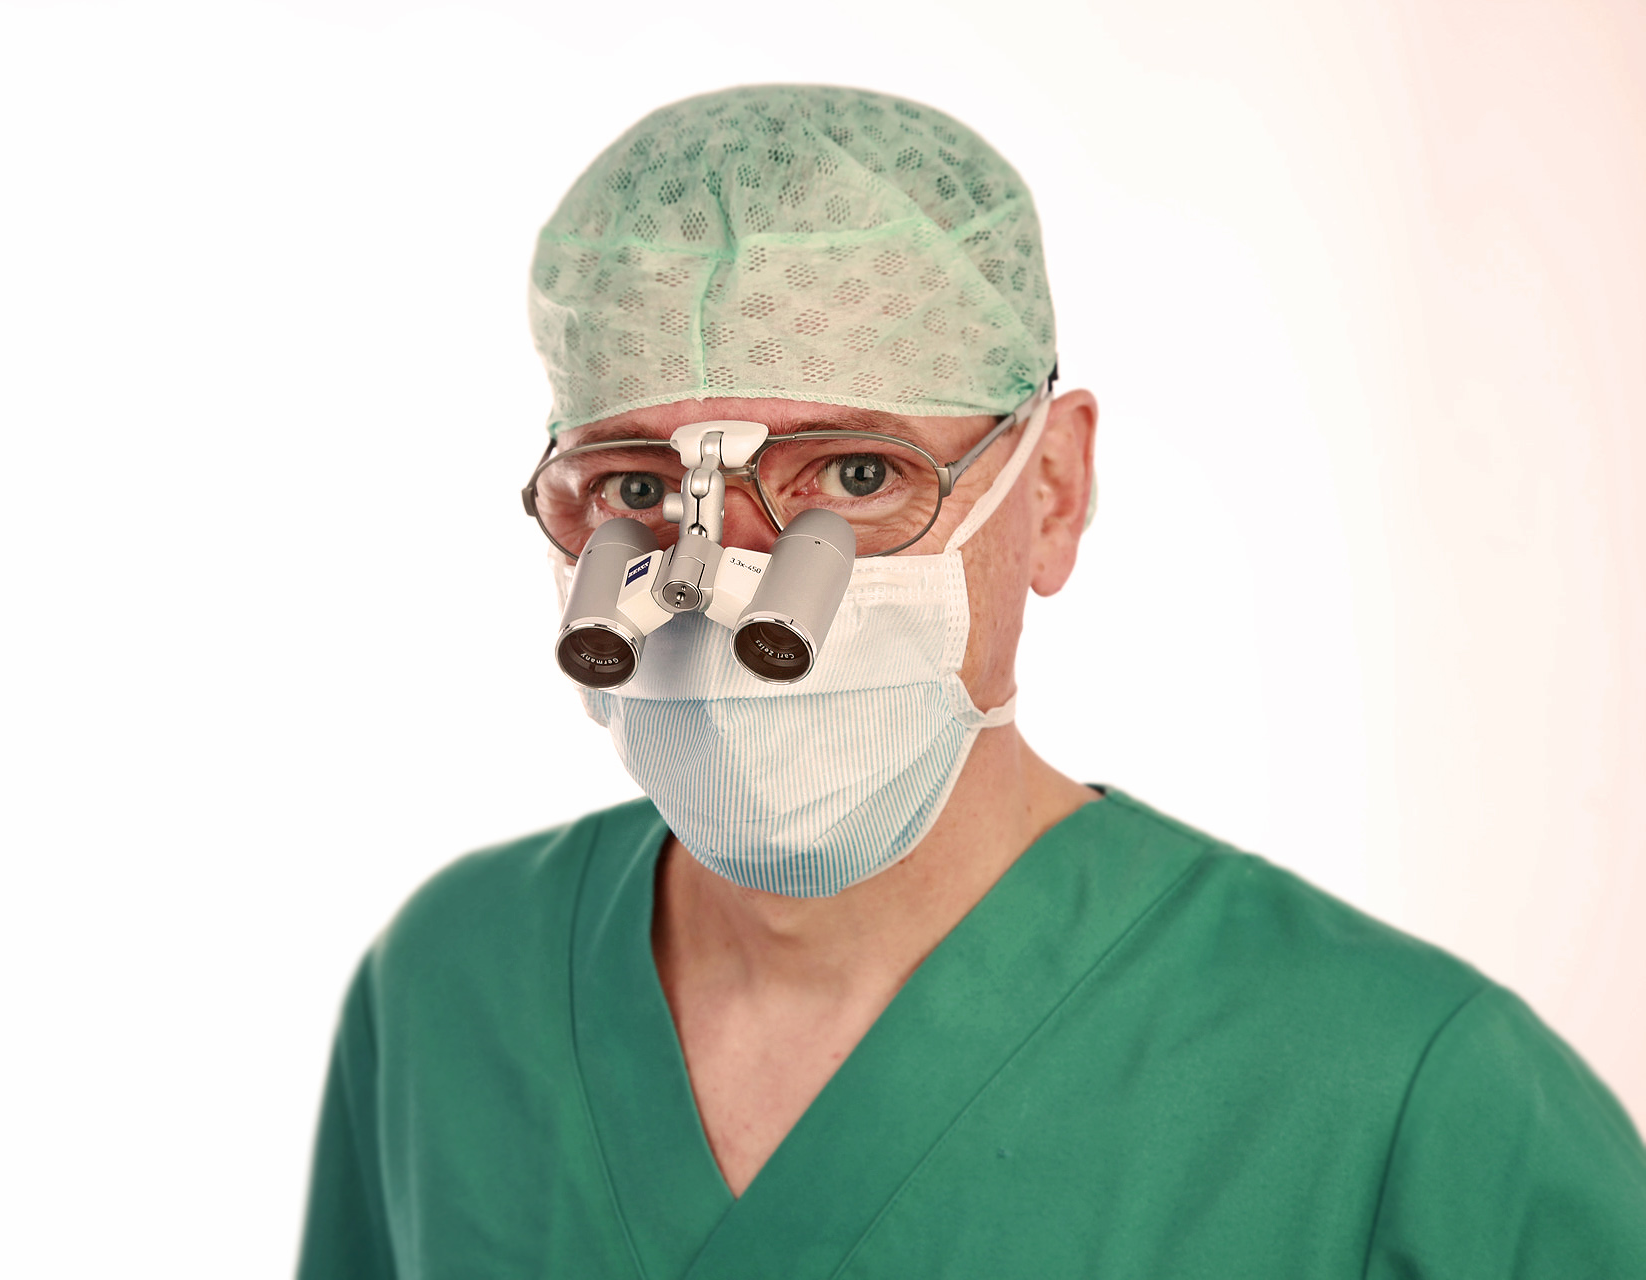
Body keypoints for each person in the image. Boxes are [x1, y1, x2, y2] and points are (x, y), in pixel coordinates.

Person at [297, 84, 1646, 1277]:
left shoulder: (1408, 1099)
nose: (729, 578)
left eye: (856, 476)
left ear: (1051, 489)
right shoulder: (449, 992)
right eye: (638, 489)